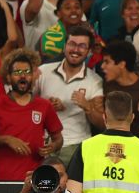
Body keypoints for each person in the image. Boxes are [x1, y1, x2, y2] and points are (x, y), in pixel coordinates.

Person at [0, 52, 64, 180]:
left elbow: (58, 139)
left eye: (27, 72)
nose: (23, 76)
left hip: (34, 181)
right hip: (2, 180)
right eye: (17, 72)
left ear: (33, 76)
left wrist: (52, 147)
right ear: (8, 76)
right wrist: (6, 139)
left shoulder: (44, 105)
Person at [36, 26, 104, 166]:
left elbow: (102, 123)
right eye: (72, 44)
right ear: (64, 46)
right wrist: (44, 105)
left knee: (73, 188)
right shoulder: (43, 71)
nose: (75, 49)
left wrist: (87, 106)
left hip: (76, 146)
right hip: (43, 144)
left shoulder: (95, 81)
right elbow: (25, 102)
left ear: (89, 51)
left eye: (82, 46)